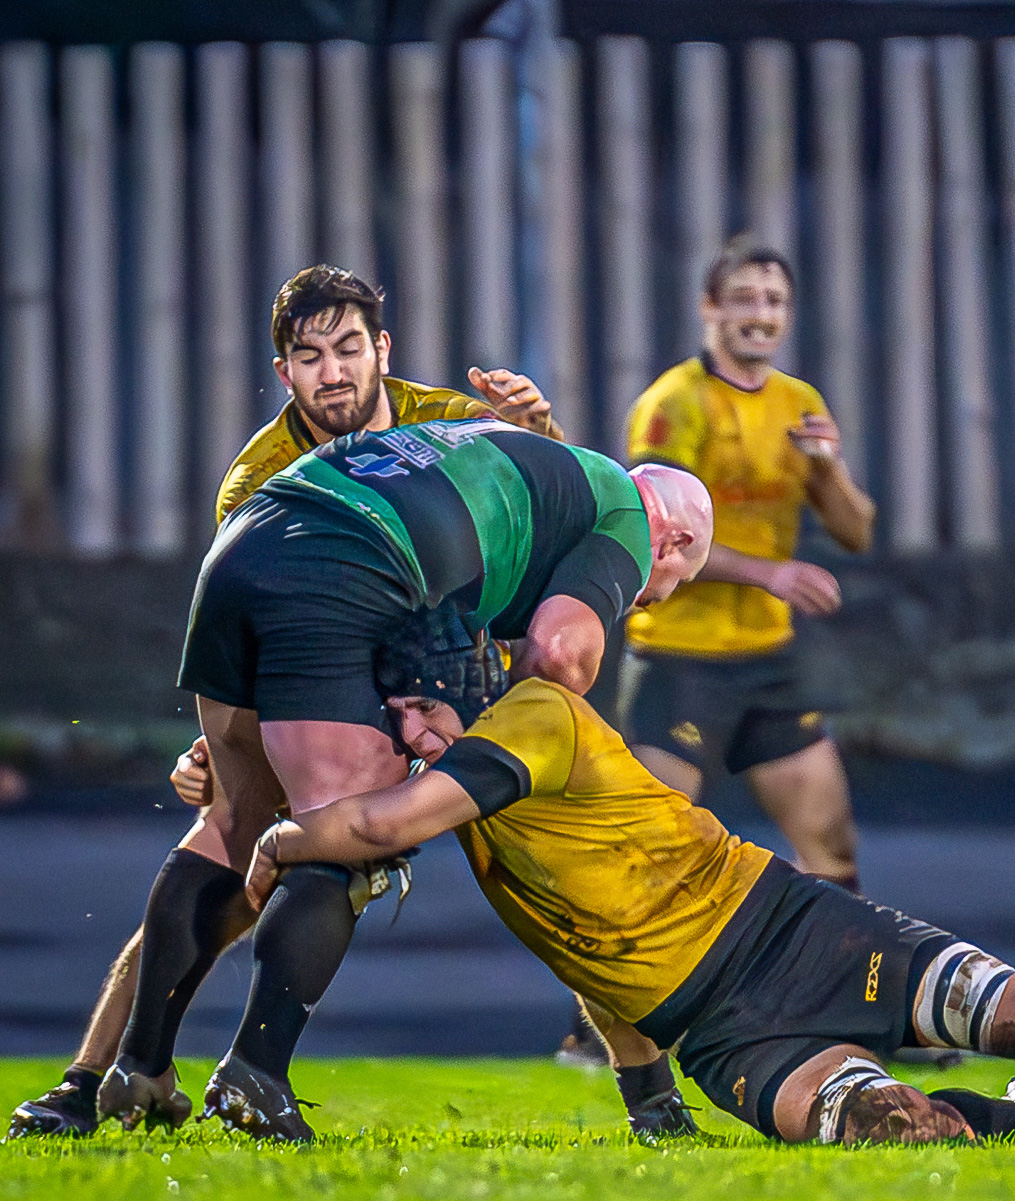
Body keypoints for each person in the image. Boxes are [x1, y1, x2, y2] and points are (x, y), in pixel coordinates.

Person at [230, 606, 1015, 1144]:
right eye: (397, 716)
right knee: (892, 1136)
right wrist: (651, 1094)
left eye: (418, 705)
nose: (407, 729)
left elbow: (375, 823)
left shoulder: (530, 719)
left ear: (463, 684)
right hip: (725, 1032)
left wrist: (277, 840)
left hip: (792, 928)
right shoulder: (465, 795)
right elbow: (591, 943)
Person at [8, 264, 563, 1140]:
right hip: (354, 697)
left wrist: (537, 429)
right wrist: (233, 745)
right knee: (243, 839)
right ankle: (114, 1078)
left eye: (348, 349)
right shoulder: (256, 480)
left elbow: (539, 499)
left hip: (469, 699)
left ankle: (648, 1091)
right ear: (284, 370)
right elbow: (250, 626)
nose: (332, 373)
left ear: (383, 349)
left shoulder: (456, 421)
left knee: (564, 862)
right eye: (310, 357)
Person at [88, 415, 712, 1138]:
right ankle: (253, 1074)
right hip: (346, 565)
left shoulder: (518, 459)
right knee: (346, 836)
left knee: (235, 821)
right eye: (656, 592)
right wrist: (517, 738)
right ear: (674, 543)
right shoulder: (628, 515)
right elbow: (561, 655)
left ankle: (140, 1065)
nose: (637, 601)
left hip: (244, 547)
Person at [622, 236, 875, 893]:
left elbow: (856, 532)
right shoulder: (674, 404)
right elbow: (659, 533)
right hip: (678, 658)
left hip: (768, 657)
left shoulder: (799, 402)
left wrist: (830, 470)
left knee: (833, 851)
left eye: (774, 300)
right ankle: (611, 1000)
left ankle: (830, 994)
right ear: (710, 309)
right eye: (743, 300)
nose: (760, 314)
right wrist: (771, 572)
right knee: (651, 867)